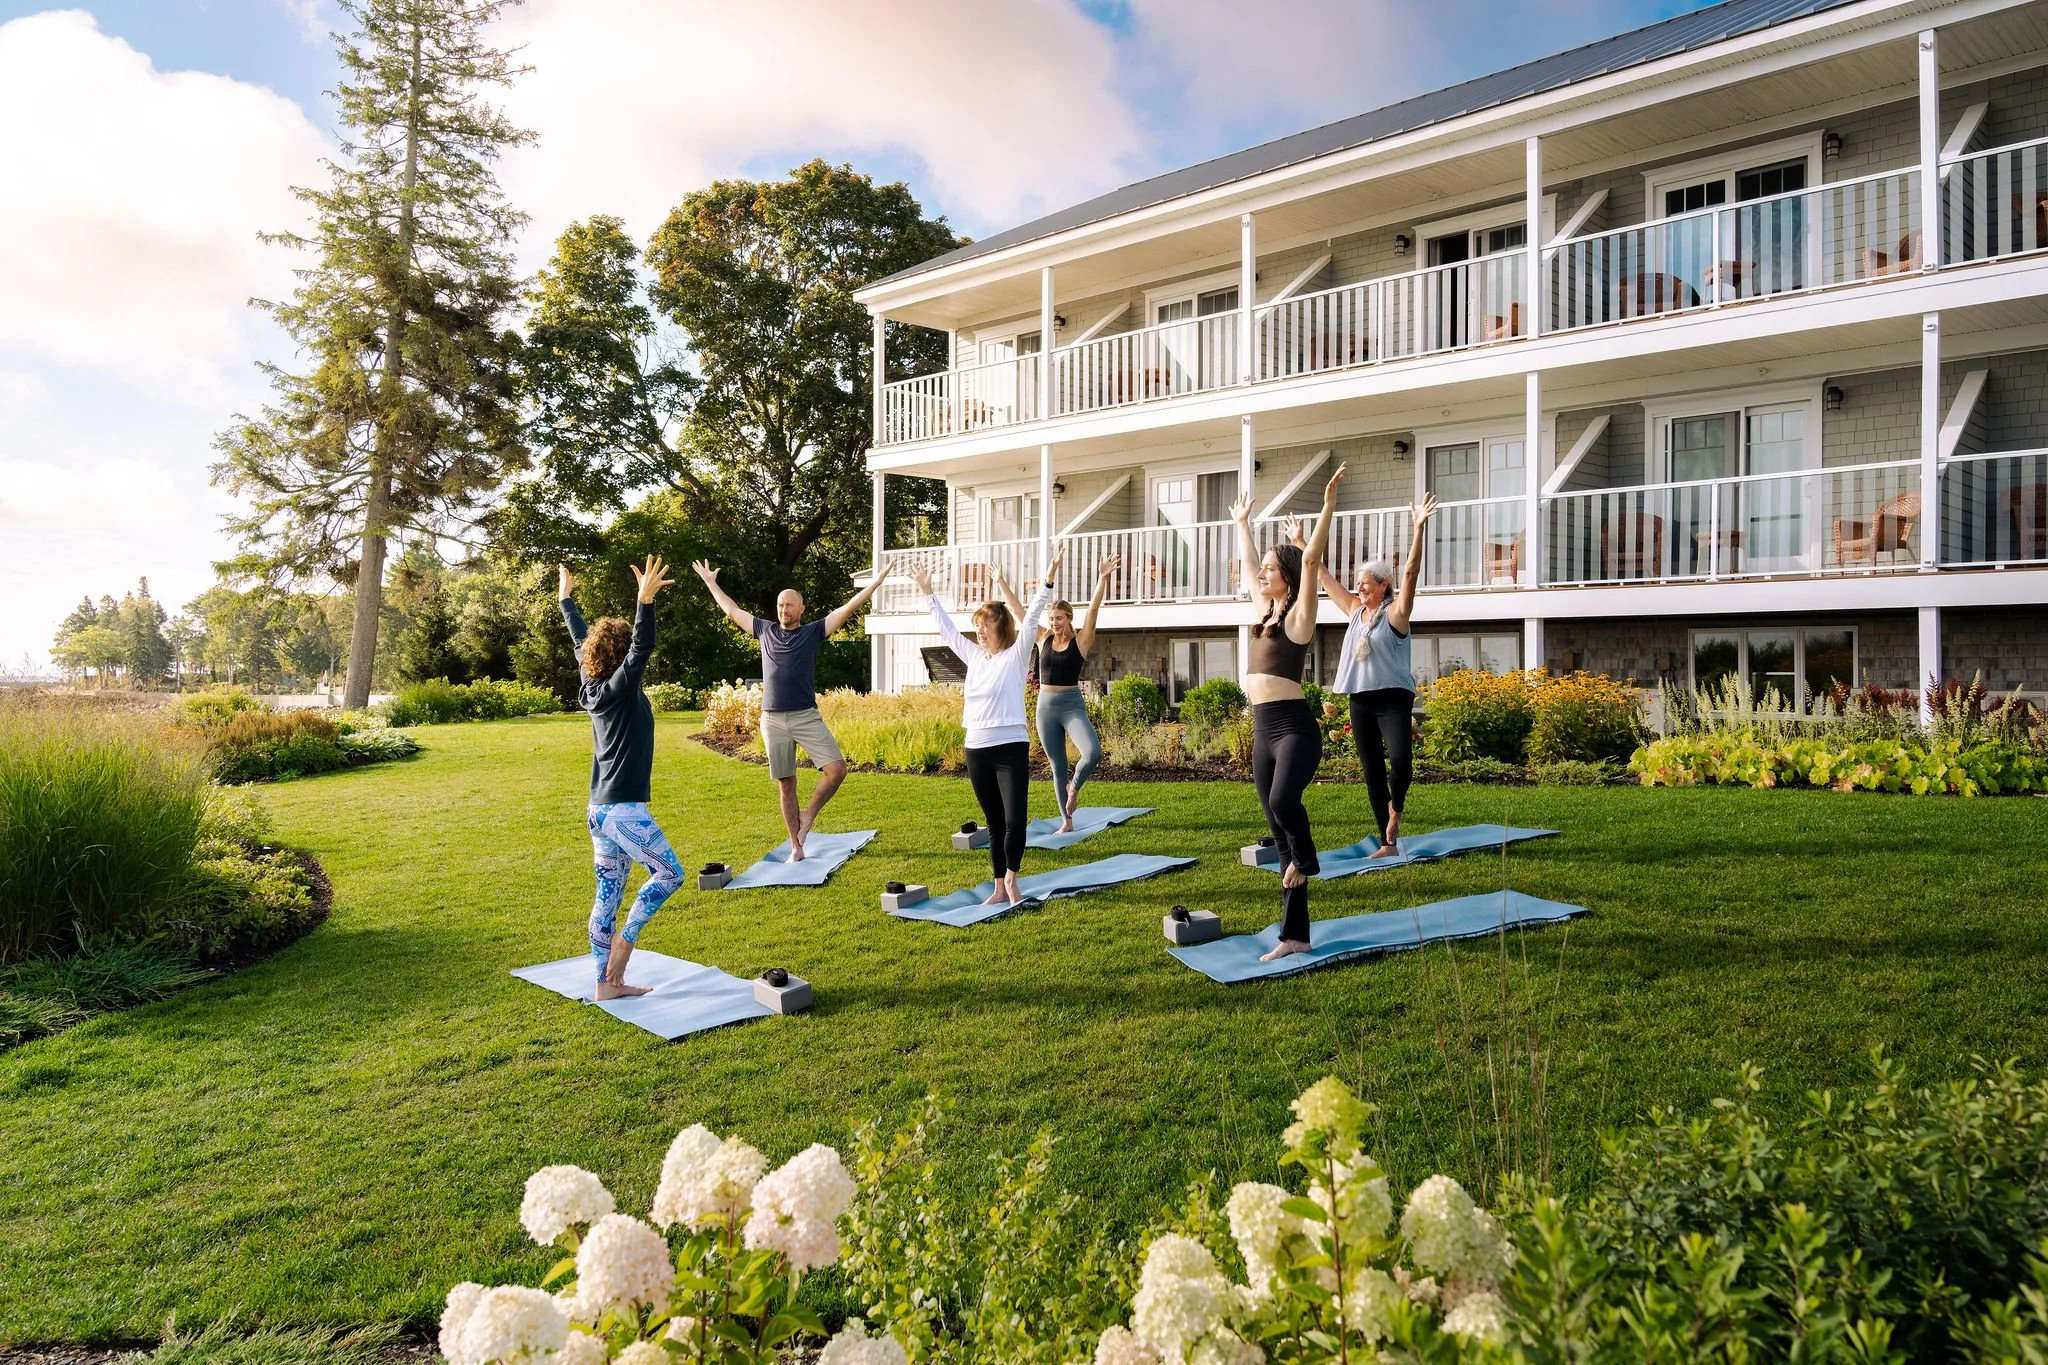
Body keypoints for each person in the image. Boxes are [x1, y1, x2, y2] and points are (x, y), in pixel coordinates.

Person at [692, 559, 898, 861]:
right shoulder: (764, 631)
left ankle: (809, 814)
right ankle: (796, 846)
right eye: (780, 605)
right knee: (786, 783)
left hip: (805, 716)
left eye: (789, 605)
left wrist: (875, 583)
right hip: (772, 720)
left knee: (837, 770)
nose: (783, 610)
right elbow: (731, 610)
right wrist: (711, 582)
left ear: (801, 608)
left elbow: (847, 609)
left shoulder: (812, 633)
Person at [1231, 465, 1346, 961]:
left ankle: (1309, 859)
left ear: (1289, 578)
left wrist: (1326, 505)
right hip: (1262, 732)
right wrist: (1242, 525)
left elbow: (1313, 554)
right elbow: (1249, 563)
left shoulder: (1300, 615)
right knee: (1278, 834)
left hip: (1294, 729)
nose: (1263, 574)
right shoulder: (1263, 611)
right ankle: (1294, 936)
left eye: (1272, 569)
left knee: (1284, 805)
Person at [911, 546, 1065, 906]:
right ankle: (998, 887)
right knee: (994, 823)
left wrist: (1049, 577)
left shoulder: (1016, 654)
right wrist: (927, 591)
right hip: (976, 747)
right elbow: (947, 630)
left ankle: (1012, 878)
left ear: (1000, 627)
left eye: (985, 626)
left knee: (1016, 820)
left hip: (1010, 745)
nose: (979, 632)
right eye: (977, 627)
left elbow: (1032, 616)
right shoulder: (974, 657)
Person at [558, 555, 682, 1000]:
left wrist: (566, 602)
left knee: (607, 895)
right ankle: (623, 947)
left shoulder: (593, 686)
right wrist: (643, 603)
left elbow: (579, 639)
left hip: (598, 812)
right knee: (669, 874)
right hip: (622, 810)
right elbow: (641, 649)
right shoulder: (619, 688)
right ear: (619, 653)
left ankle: (604, 986)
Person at [1289, 495, 1440, 859]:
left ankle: (1396, 810)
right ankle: (1387, 842)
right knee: (1372, 770)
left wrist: (1418, 528)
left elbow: (1411, 572)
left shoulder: (1397, 615)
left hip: (1393, 698)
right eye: (1357, 583)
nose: (1359, 588)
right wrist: (1300, 542)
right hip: (1360, 698)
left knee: (1401, 760)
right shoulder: (1355, 611)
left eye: (1366, 583)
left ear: (1383, 585)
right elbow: (1323, 575)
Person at [996, 552, 1119, 834]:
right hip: (1045, 708)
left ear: (1068, 619)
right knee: (1057, 765)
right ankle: (1067, 821)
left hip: (1071, 705)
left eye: (1059, 618)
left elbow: (1093, 611)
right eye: (1051, 618)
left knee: (1093, 752)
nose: (1054, 622)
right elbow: (1018, 612)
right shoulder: (1043, 638)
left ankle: (1074, 787)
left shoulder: (1082, 641)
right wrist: (1001, 581)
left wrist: (1102, 577)